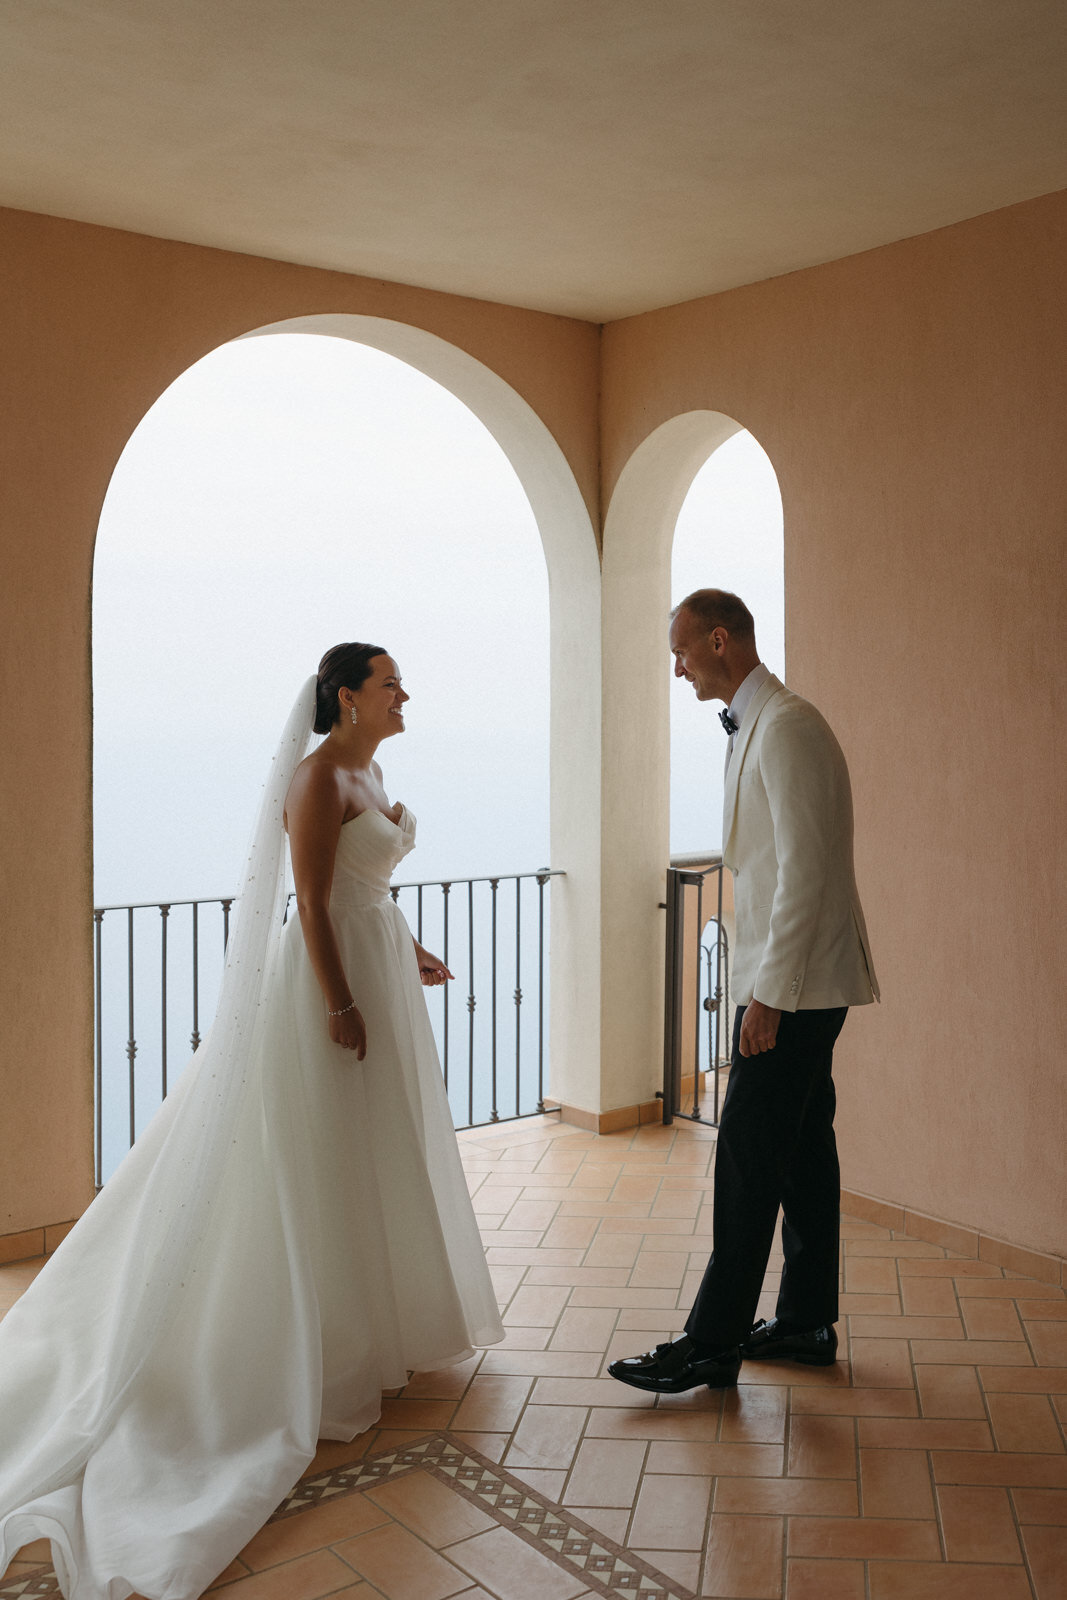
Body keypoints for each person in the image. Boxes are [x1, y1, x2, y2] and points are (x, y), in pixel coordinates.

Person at [0, 643, 503, 1600]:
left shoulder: (375, 767)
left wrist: (412, 949)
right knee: (310, 1162)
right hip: (331, 985)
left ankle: (365, 1332)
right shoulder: (317, 777)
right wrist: (340, 1003)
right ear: (346, 695)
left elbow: (365, 890)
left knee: (370, 1158)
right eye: (391, 683)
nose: (406, 696)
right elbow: (311, 901)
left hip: (378, 965)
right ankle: (283, 1350)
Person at [609, 590, 878, 1394]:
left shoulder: (787, 727)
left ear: (719, 640)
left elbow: (805, 873)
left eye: (682, 650)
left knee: (746, 1157)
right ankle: (802, 1322)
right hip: (794, 982)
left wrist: (768, 997)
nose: (677, 666)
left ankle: (712, 1342)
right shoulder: (758, 724)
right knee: (800, 1152)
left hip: (791, 989)